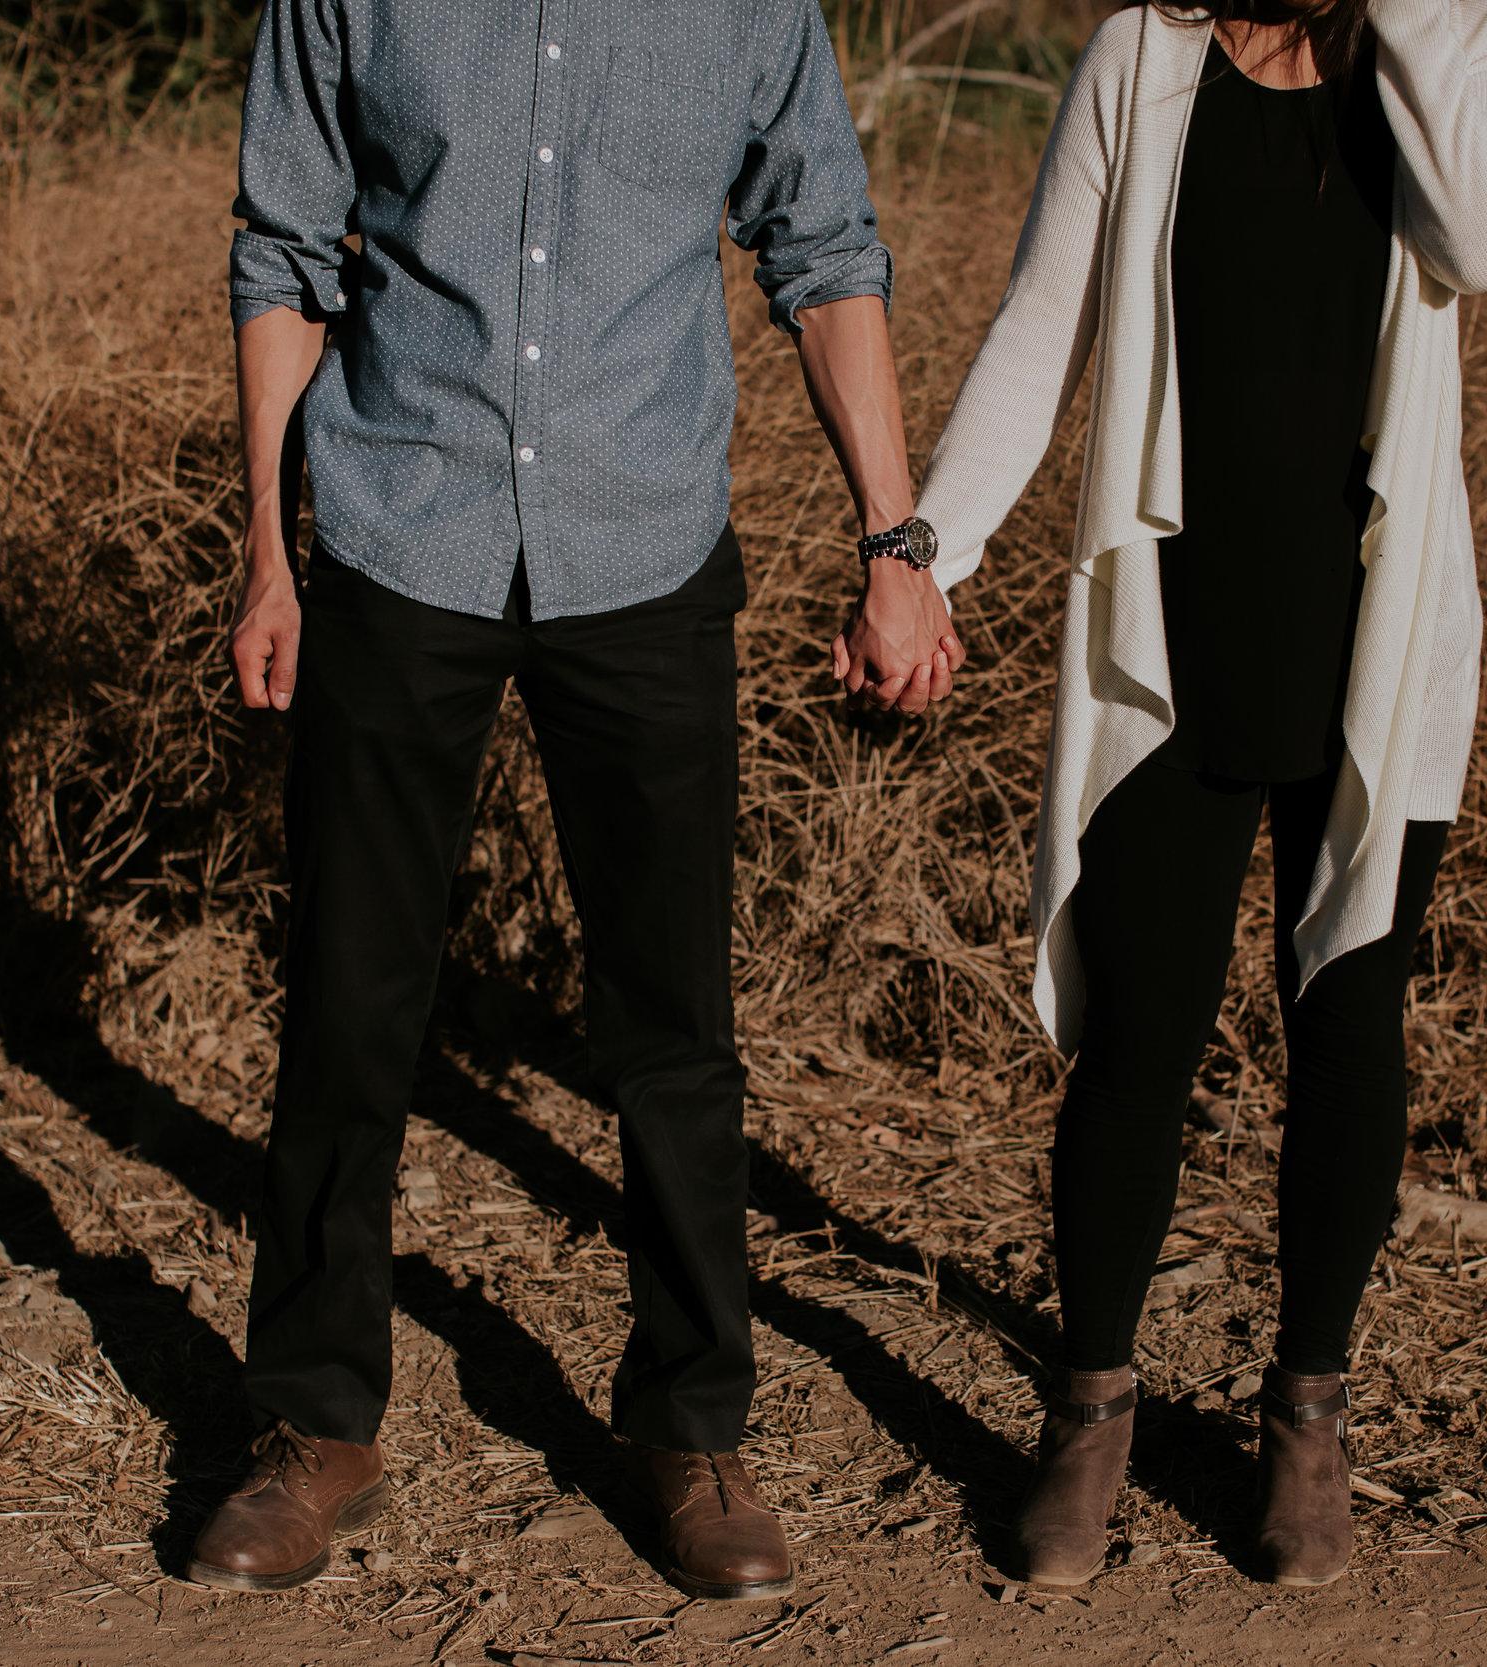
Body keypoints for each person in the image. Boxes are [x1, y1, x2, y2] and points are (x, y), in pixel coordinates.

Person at [195, 0, 964, 1600]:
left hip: (646, 544)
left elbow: (823, 248)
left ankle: (691, 1424)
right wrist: (271, 555)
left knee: (672, 1027)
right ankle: (313, 1421)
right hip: (406, 530)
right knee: (350, 1003)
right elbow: (285, 254)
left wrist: (896, 546)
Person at [910, 0, 1487, 1591]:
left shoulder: (1444, 46)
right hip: (1169, 638)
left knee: (1349, 1021)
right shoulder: (1141, 60)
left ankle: (1307, 1421)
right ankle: (1092, 1412)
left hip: (1373, 643)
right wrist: (927, 551)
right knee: (1140, 1034)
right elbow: (1041, 322)